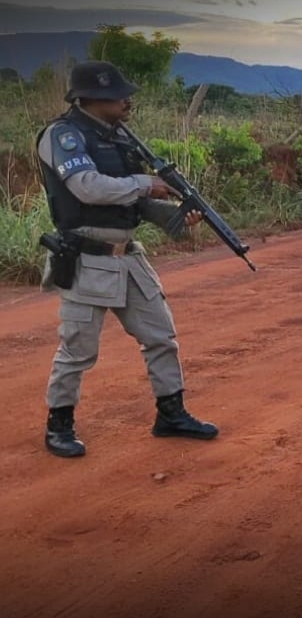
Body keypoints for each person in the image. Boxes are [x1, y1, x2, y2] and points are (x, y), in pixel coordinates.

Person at [36, 60, 218, 458]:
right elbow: (86, 187)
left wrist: (177, 216)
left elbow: (137, 203)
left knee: (161, 337)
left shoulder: (120, 138)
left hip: (129, 257)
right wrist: (145, 184)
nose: (127, 100)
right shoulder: (62, 135)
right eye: (119, 94)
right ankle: (59, 426)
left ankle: (171, 413)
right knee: (78, 350)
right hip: (87, 258)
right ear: (93, 97)